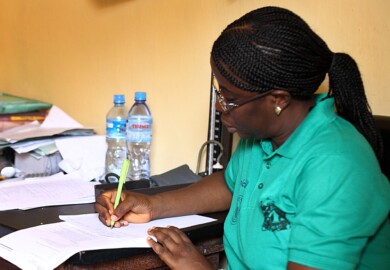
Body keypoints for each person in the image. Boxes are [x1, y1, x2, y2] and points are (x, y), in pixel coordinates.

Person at [96, 6, 390, 270]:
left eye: (230, 98)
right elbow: (231, 184)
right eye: (219, 91)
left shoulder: (336, 166)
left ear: (278, 100)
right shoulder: (264, 136)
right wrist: (153, 205)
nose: (219, 106)